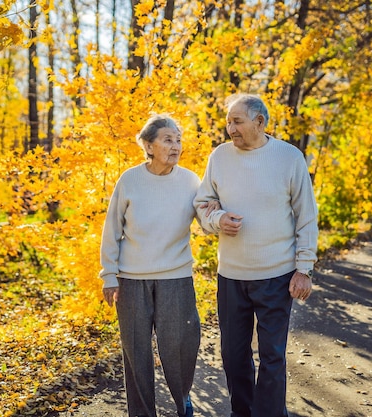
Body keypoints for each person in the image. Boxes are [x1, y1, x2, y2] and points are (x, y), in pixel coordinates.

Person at [193, 94, 319, 417]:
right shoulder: (219, 157)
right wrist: (217, 220)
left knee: (272, 356)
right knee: (233, 356)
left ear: (260, 122)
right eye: (228, 121)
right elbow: (203, 203)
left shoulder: (290, 158)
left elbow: (306, 216)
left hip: (277, 277)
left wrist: (303, 268)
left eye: (237, 121)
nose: (230, 128)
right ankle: (243, 412)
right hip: (232, 277)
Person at [99, 114, 219, 417]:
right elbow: (111, 229)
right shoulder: (130, 179)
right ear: (149, 146)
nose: (176, 145)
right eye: (168, 139)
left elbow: (206, 220)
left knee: (181, 346)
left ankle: (182, 401)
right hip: (131, 280)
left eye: (178, 139)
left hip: (176, 278)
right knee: (136, 354)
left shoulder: (191, 180)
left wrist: (218, 218)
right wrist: (109, 275)